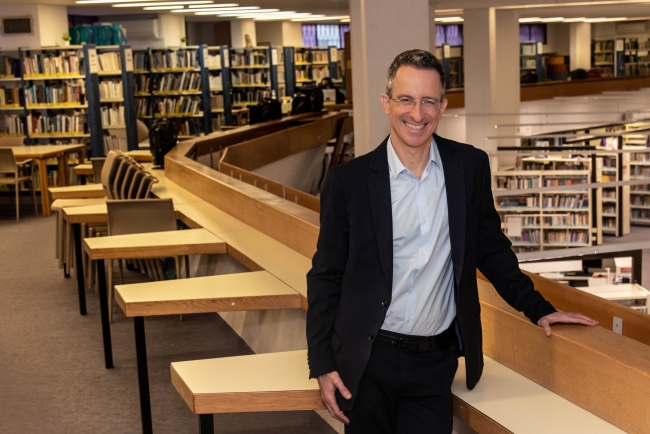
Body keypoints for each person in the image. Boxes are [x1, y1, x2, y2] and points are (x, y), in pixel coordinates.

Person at [306, 49, 598, 434]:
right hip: (367, 359)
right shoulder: (349, 182)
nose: (417, 113)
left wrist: (539, 308)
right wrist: (323, 363)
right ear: (386, 103)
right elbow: (327, 275)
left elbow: (491, 249)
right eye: (406, 99)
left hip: (435, 360)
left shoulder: (469, 167)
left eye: (429, 101)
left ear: (442, 106)